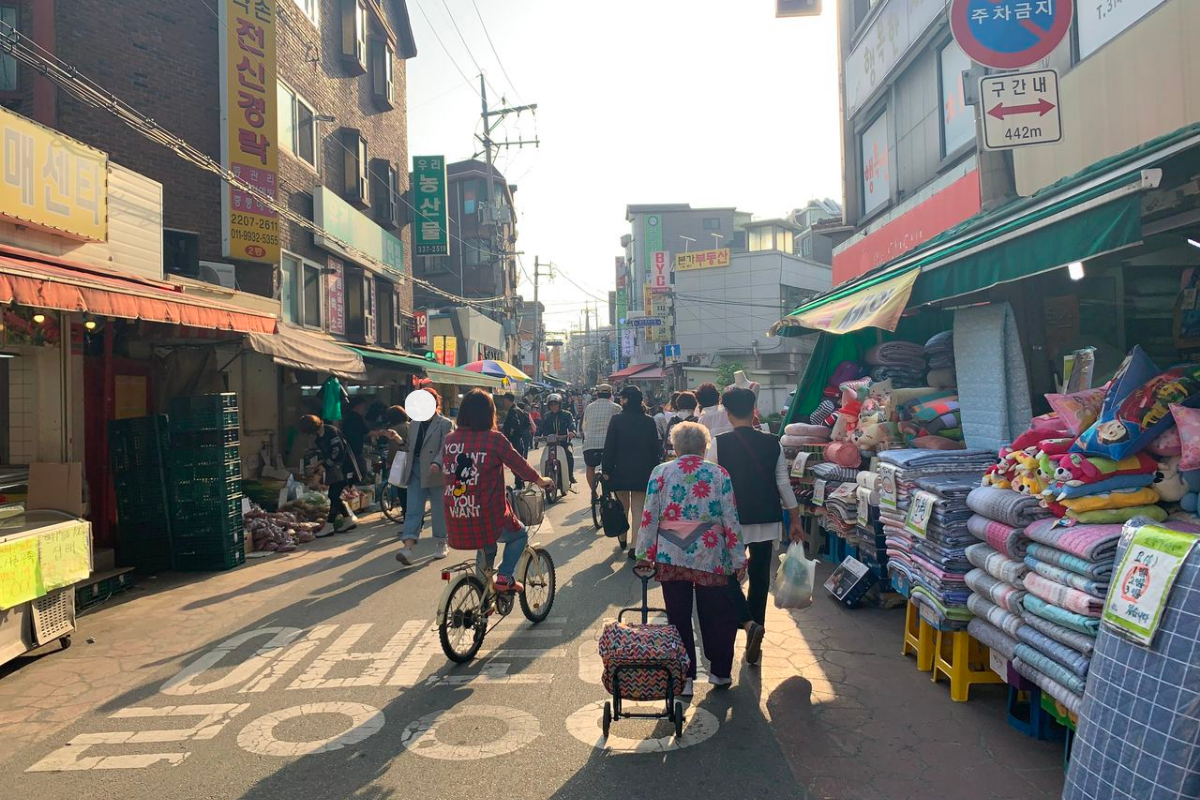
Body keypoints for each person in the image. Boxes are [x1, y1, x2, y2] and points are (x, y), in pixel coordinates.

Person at [635, 421, 746, 695]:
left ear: (675, 448)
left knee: (678, 616)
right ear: (704, 447)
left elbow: (649, 515)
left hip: (671, 553)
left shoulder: (661, 472)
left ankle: (683, 678)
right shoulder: (719, 473)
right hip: (710, 554)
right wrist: (738, 559)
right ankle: (720, 672)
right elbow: (730, 518)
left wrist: (644, 554)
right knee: (717, 613)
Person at [714, 387, 804, 665]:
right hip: (767, 517)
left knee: (725, 575)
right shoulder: (772, 442)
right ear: (754, 410)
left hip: (731, 521)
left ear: (728, 413)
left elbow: (711, 483)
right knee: (760, 576)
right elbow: (783, 484)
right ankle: (757, 629)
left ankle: (747, 623)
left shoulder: (719, 443)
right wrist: (795, 519)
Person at [442, 390, 553, 592]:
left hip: (456, 514)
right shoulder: (493, 439)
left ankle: (482, 592)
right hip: (487, 514)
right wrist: (540, 480)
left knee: (486, 544)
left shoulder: (450, 440)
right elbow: (520, 465)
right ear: (489, 413)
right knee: (520, 534)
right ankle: (504, 576)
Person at [602, 385, 663, 556]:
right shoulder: (649, 421)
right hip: (643, 470)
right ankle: (635, 545)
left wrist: (606, 469)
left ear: (626, 400)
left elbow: (610, 447)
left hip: (619, 469)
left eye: (622, 398)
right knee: (638, 509)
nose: (620, 401)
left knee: (622, 507)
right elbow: (655, 449)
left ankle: (622, 538)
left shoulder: (616, 420)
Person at [395, 388, 453, 566]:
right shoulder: (413, 424)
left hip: (436, 472)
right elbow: (410, 447)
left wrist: (437, 463)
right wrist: (398, 439)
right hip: (414, 470)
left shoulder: (445, 424)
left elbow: (446, 446)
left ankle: (442, 542)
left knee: (439, 509)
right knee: (413, 510)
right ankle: (408, 548)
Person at [298, 415, 363, 534]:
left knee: (333, 495)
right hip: (334, 469)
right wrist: (318, 463)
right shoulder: (320, 436)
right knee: (334, 496)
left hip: (344, 468)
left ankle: (329, 525)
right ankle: (348, 520)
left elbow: (338, 453)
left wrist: (324, 466)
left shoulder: (331, 433)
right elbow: (328, 454)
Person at [581, 384, 621, 495]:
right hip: (609, 445)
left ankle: (593, 492)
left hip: (590, 444)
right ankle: (611, 492)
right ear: (610, 394)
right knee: (613, 468)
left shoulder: (589, 407)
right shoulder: (617, 407)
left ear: (597, 394)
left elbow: (584, 426)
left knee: (590, 468)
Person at [537, 393, 578, 488]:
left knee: (569, 455)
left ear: (560, 404)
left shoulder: (567, 414)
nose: (554, 406)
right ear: (549, 406)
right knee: (544, 459)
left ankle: (570, 475)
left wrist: (572, 432)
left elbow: (572, 424)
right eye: (551, 405)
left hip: (564, 442)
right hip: (550, 443)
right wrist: (537, 435)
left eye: (555, 404)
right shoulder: (546, 416)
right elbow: (540, 427)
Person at [496, 391, 532, 458]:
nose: (503, 403)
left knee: (514, 461)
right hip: (519, 441)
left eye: (504, 400)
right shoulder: (519, 410)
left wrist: (510, 433)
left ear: (507, 400)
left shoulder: (513, 410)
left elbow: (515, 423)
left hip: (514, 442)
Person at [341, 396, 371, 477]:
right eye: (363, 407)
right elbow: (366, 431)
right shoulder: (356, 417)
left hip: (348, 448)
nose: (364, 410)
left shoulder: (347, 417)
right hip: (355, 449)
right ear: (358, 406)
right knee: (361, 472)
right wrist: (381, 432)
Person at [665, 391, 698, 455]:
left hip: (674, 456)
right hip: (693, 456)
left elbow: (667, 443)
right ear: (694, 405)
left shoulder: (672, 421)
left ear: (678, 404)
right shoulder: (696, 422)